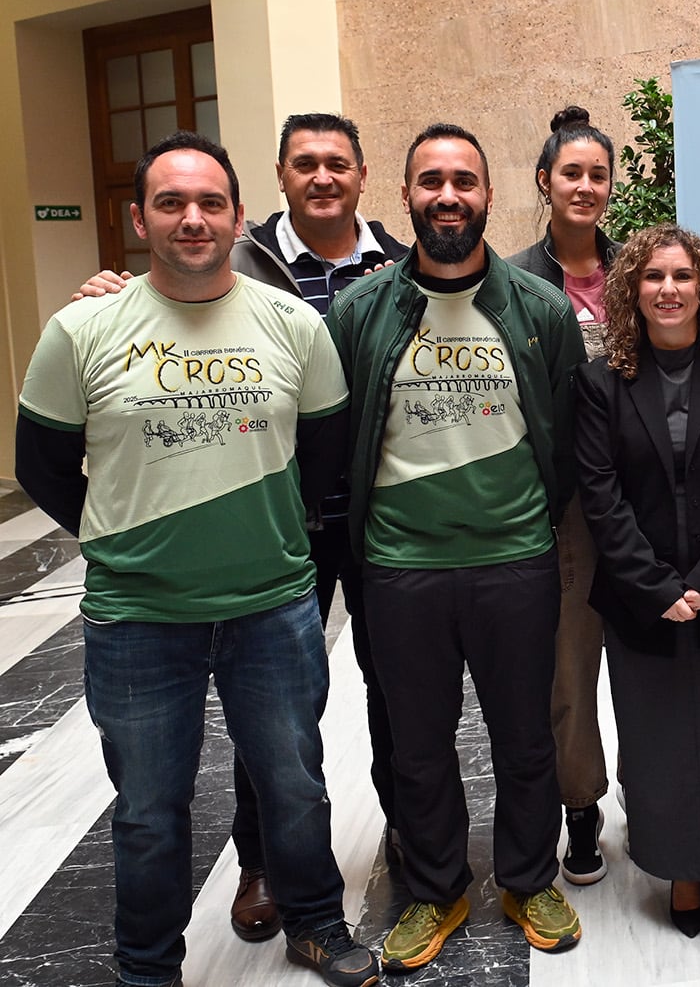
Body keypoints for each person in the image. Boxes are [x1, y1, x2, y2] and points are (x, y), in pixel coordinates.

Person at [15, 131, 381, 987]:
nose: (193, 218)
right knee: (148, 810)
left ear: (238, 215)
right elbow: (40, 464)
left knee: (295, 783)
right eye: (172, 203)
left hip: (272, 606)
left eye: (211, 202)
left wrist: (275, 523)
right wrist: (120, 532)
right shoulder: (81, 329)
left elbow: (324, 449)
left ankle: (316, 924)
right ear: (139, 216)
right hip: (138, 619)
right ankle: (148, 967)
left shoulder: (293, 323)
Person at [325, 122, 586, 970]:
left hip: (515, 560)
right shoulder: (361, 311)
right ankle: (436, 890)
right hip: (401, 570)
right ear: (404, 196)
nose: (447, 195)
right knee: (419, 742)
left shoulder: (541, 311)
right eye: (430, 180)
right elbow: (338, 438)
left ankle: (526, 876)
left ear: (488, 195)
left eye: (463, 181)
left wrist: (525, 526)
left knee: (525, 735)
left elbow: (566, 439)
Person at [573, 225, 700, 945]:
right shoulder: (602, 382)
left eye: (683, 276)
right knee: (658, 740)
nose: (668, 288)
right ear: (633, 289)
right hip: (640, 599)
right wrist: (658, 585)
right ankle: (678, 867)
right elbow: (599, 495)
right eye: (653, 276)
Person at [505, 105, 622, 887]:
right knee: (569, 666)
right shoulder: (512, 282)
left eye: (597, 174)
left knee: (652, 663)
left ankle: (668, 799)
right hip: (565, 502)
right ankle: (579, 804)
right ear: (544, 181)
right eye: (570, 172)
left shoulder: (643, 267)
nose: (584, 186)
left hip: (648, 497)